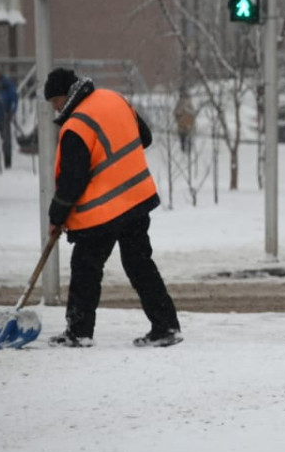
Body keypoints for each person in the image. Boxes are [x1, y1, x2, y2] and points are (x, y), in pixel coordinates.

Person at [43, 68, 182, 348]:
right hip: (136, 198)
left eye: (54, 102)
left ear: (62, 96)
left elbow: (72, 180)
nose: (55, 108)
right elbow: (145, 137)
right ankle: (166, 326)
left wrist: (56, 217)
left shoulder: (76, 126)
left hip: (103, 210)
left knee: (85, 267)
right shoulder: (114, 99)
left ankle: (79, 331)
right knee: (139, 263)